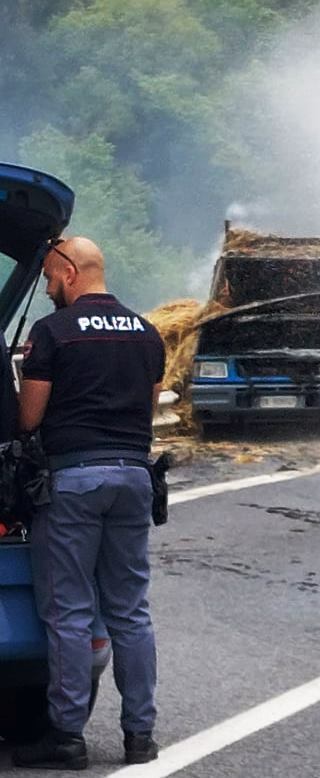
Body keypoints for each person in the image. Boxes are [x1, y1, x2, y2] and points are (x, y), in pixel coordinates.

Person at [12, 236, 165, 770]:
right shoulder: (147, 333)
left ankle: (66, 737)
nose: (50, 288)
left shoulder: (53, 331)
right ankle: (140, 736)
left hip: (75, 482)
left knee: (70, 613)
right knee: (130, 612)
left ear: (71, 272)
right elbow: (147, 411)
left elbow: (28, 418)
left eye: (52, 278)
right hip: (133, 478)